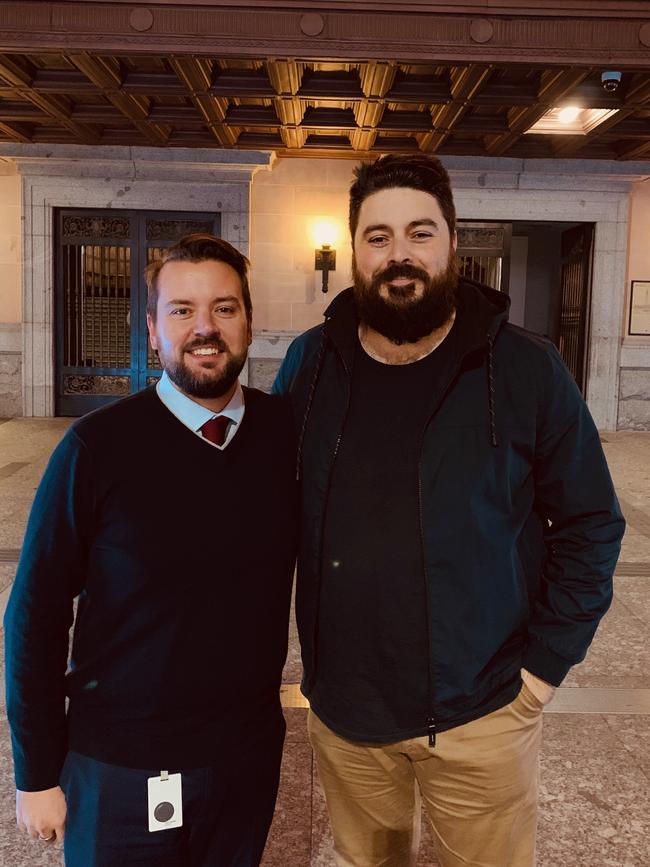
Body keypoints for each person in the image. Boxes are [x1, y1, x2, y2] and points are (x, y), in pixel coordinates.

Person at [272, 154, 624, 867]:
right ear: (354, 252)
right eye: (378, 236)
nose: (399, 255)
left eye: (419, 232)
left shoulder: (526, 369)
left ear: (452, 244)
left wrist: (541, 671)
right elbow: (262, 507)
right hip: (348, 714)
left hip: (484, 709)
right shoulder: (311, 364)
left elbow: (591, 522)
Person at [5, 233, 297, 867]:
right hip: (119, 765)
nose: (205, 328)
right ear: (153, 329)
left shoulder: (283, 437)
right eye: (181, 310)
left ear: (249, 321)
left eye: (224, 308)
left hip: (244, 759)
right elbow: (34, 613)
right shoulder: (97, 447)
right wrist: (34, 772)